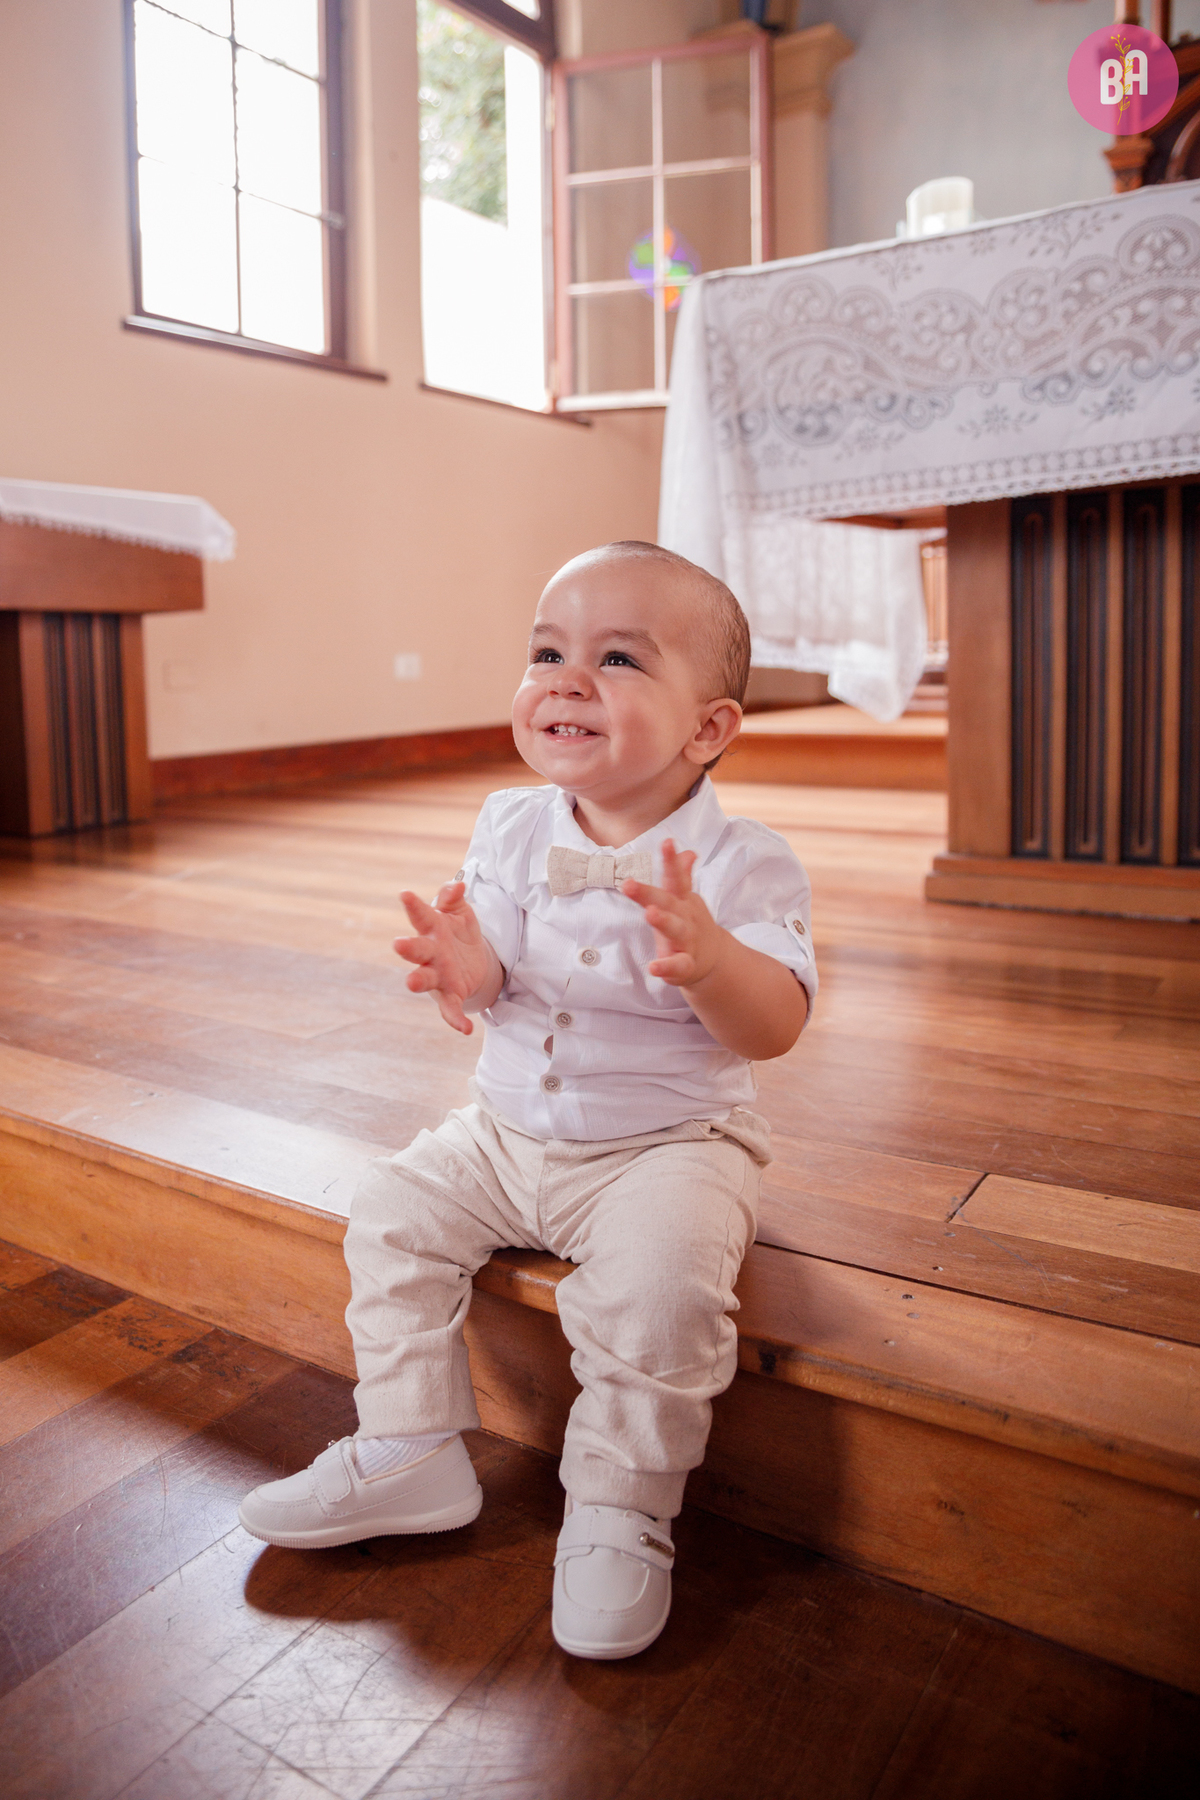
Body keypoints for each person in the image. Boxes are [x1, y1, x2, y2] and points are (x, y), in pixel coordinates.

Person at [238, 541, 817, 1660]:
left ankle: (619, 1508)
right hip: (504, 1134)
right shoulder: (510, 824)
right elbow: (505, 963)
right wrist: (471, 968)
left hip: (668, 1146)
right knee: (391, 1212)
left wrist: (714, 966)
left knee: (656, 1302)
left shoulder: (747, 864)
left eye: (615, 658)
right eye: (547, 651)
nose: (564, 679)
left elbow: (777, 1027)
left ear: (709, 729)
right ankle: (409, 1450)